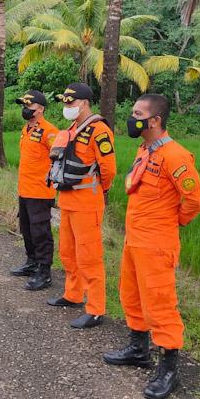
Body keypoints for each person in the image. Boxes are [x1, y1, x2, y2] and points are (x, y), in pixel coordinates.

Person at [103, 94, 200, 399]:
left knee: (160, 306)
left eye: (137, 113)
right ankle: (138, 349)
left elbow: (196, 200)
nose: (131, 117)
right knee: (131, 296)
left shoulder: (175, 156)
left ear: (154, 120)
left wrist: (172, 222)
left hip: (157, 244)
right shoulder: (144, 149)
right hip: (135, 240)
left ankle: (169, 369)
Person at [45, 82, 117, 329]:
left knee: (89, 257)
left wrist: (100, 191)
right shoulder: (72, 128)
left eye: (71, 103)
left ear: (84, 103)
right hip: (67, 201)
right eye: (65, 102)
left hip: (87, 203)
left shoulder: (99, 131)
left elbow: (108, 170)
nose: (67, 107)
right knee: (67, 251)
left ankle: (96, 309)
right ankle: (73, 295)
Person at [10, 90, 59, 291]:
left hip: (40, 192)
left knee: (41, 232)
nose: (25, 109)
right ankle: (31, 263)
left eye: (29, 106)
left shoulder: (50, 131)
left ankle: (44, 271)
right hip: (25, 189)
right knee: (27, 230)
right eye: (24, 105)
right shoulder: (26, 129)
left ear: (41, 109)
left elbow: (57, 158)